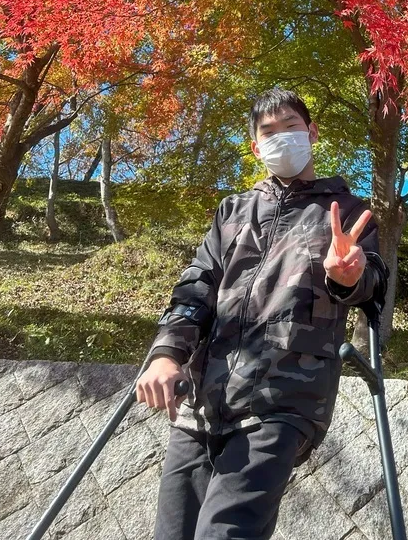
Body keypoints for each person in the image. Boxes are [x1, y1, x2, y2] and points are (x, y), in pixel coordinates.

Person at [137, 86, 388, 540]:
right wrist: (165, 355)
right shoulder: (233, 211)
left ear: (312, 132)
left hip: (282, 402)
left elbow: (371, 284)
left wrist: (348, 275)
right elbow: (196, 287)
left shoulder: (347, 212)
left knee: (226, 533)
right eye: (268, 132)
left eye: (291, 127)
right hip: (200, 402)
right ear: (255, 146)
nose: (281, 138)